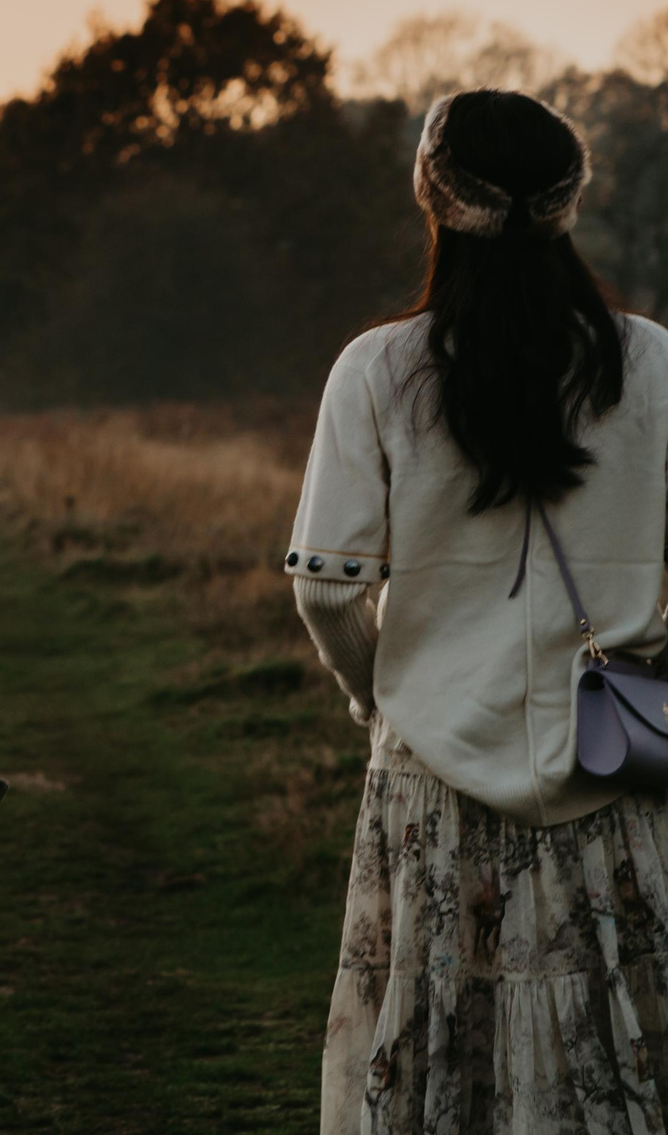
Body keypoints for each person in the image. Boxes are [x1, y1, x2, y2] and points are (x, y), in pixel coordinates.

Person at [292, 89, 668, 1132]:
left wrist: (374, 695)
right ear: (568, 204)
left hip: (430, 780)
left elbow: (326, 583)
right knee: (614, 1043)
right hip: (618, 761)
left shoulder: (377, 371)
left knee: (437, 1050)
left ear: (432, 194)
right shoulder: (655, 364)